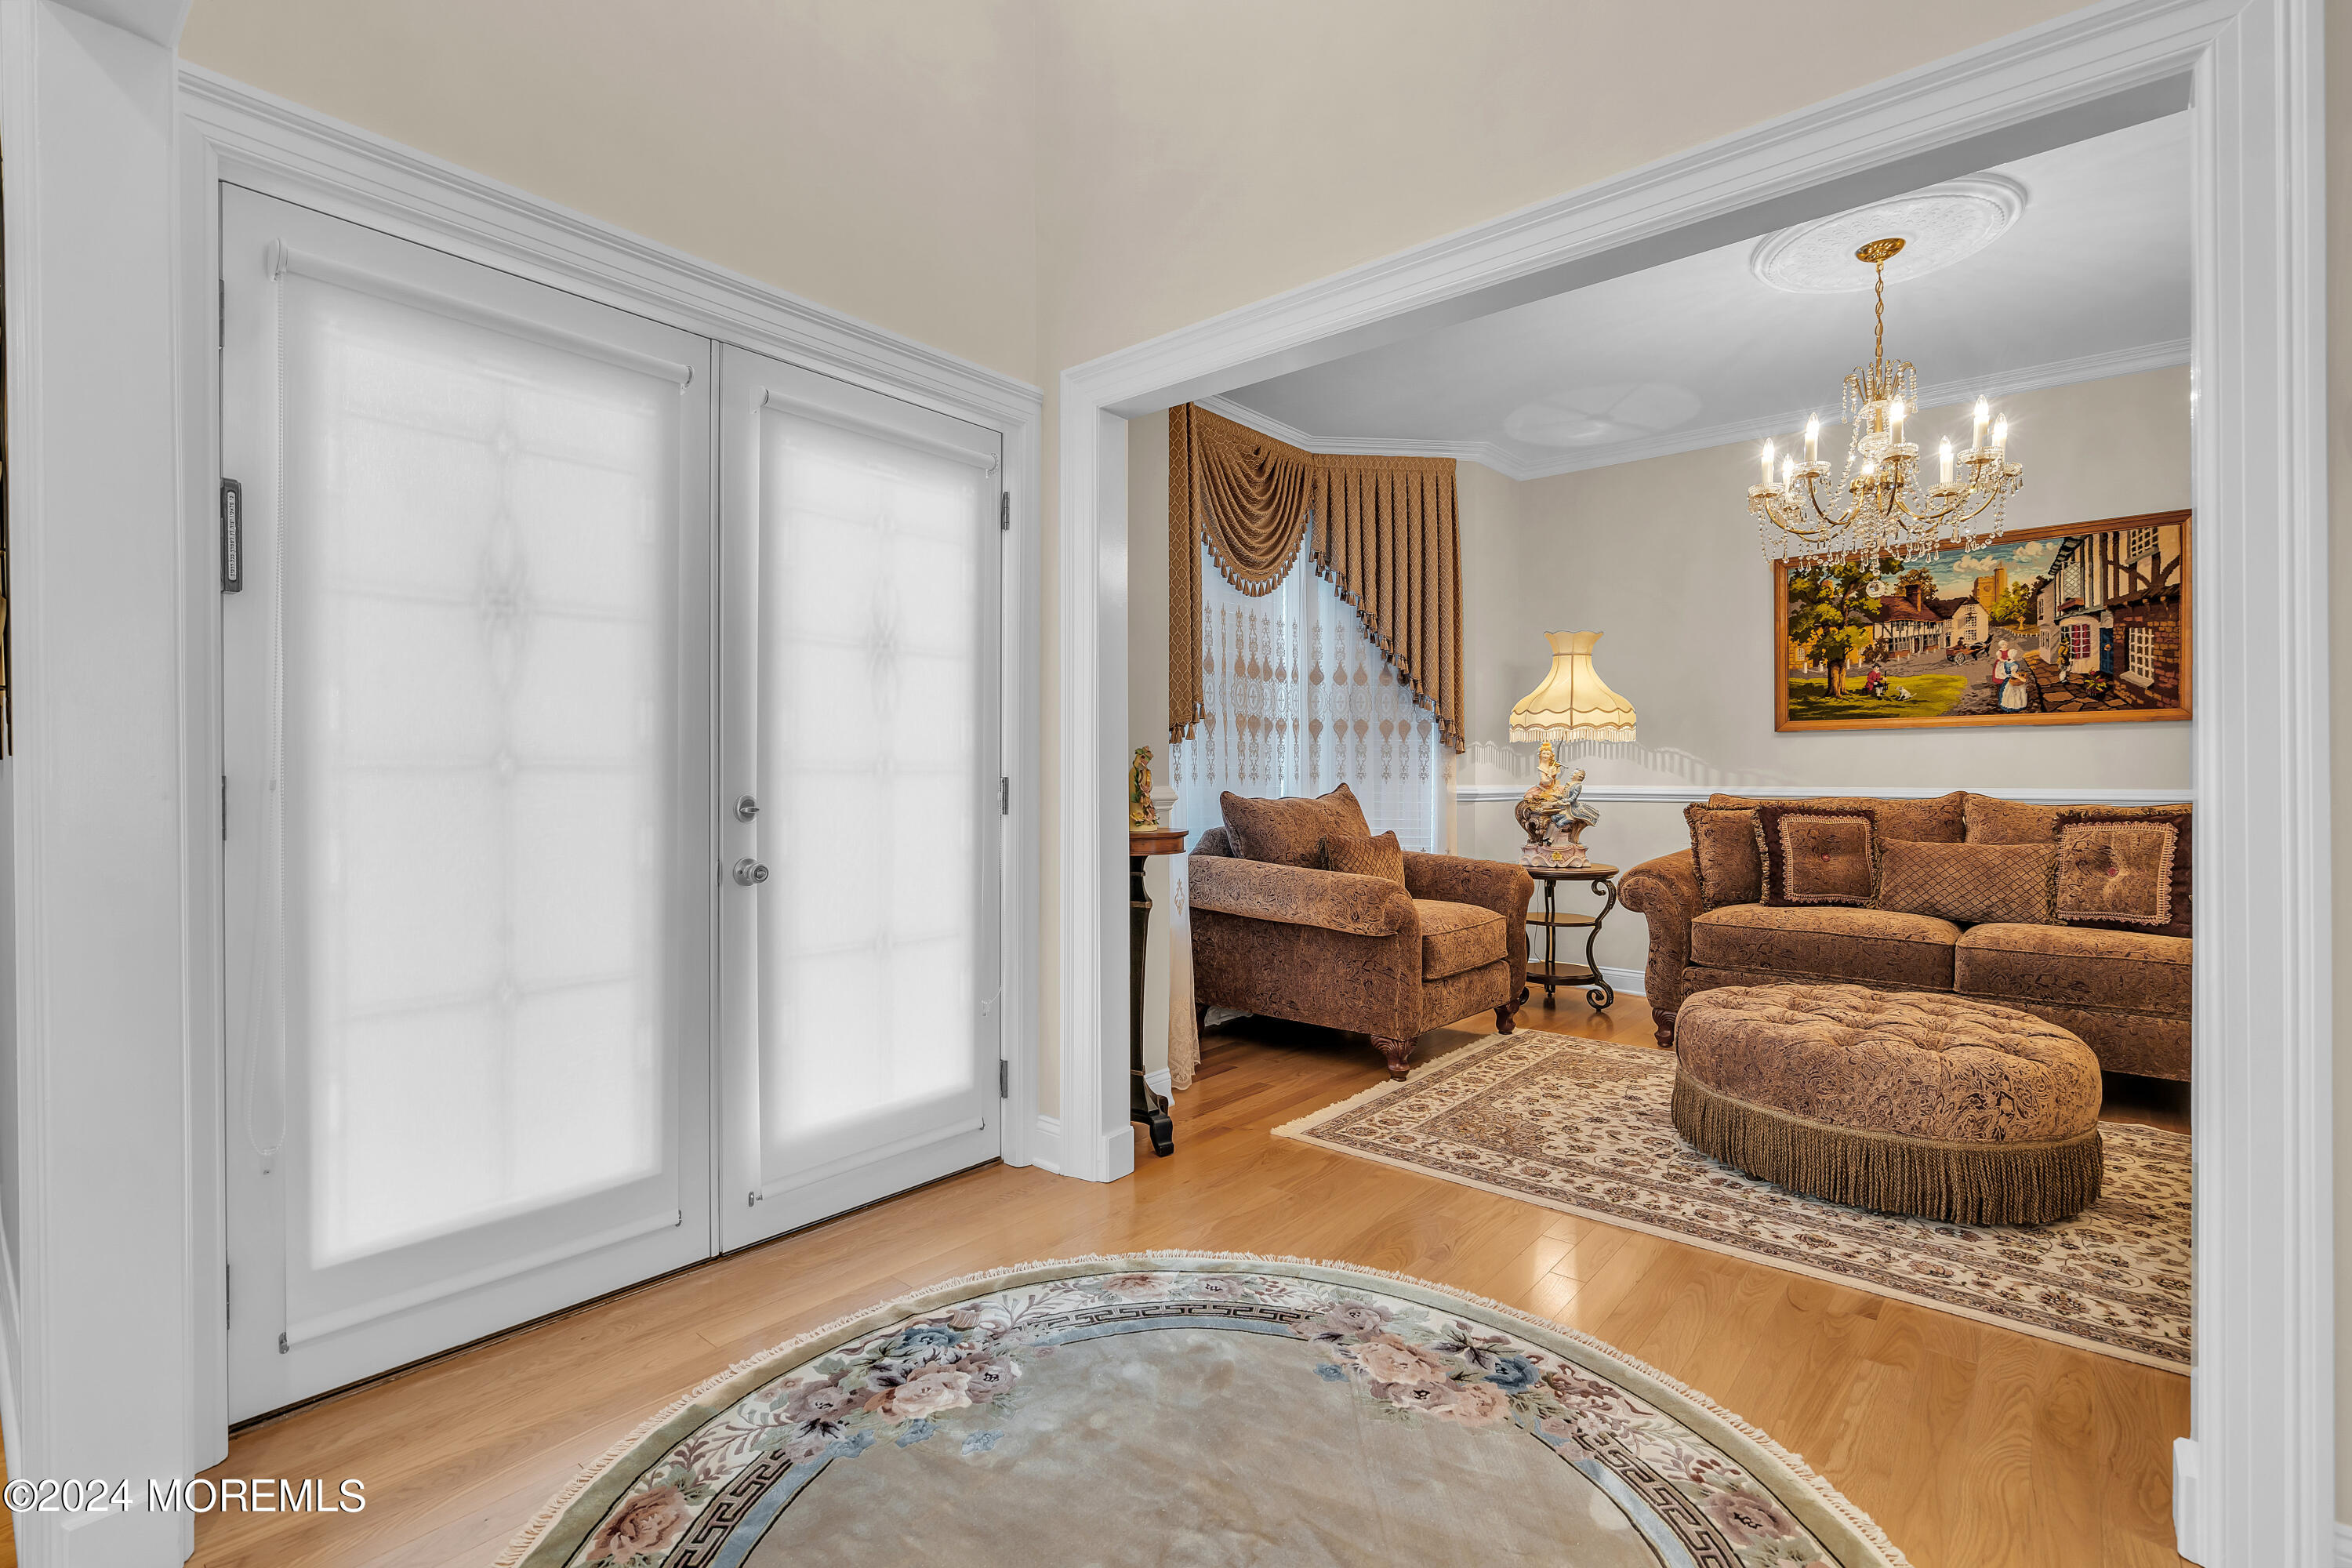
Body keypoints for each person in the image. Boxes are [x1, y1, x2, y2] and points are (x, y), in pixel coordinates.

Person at [1994, 644, 2030, 713]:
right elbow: (2013, 673)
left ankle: (2006, 705)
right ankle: (2014, 707)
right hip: (2012, 680)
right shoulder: (2014, 664)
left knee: (2006, 693)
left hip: (2007, 679)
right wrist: (2021, 678)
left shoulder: (2007, 662)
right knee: (2014, 694)